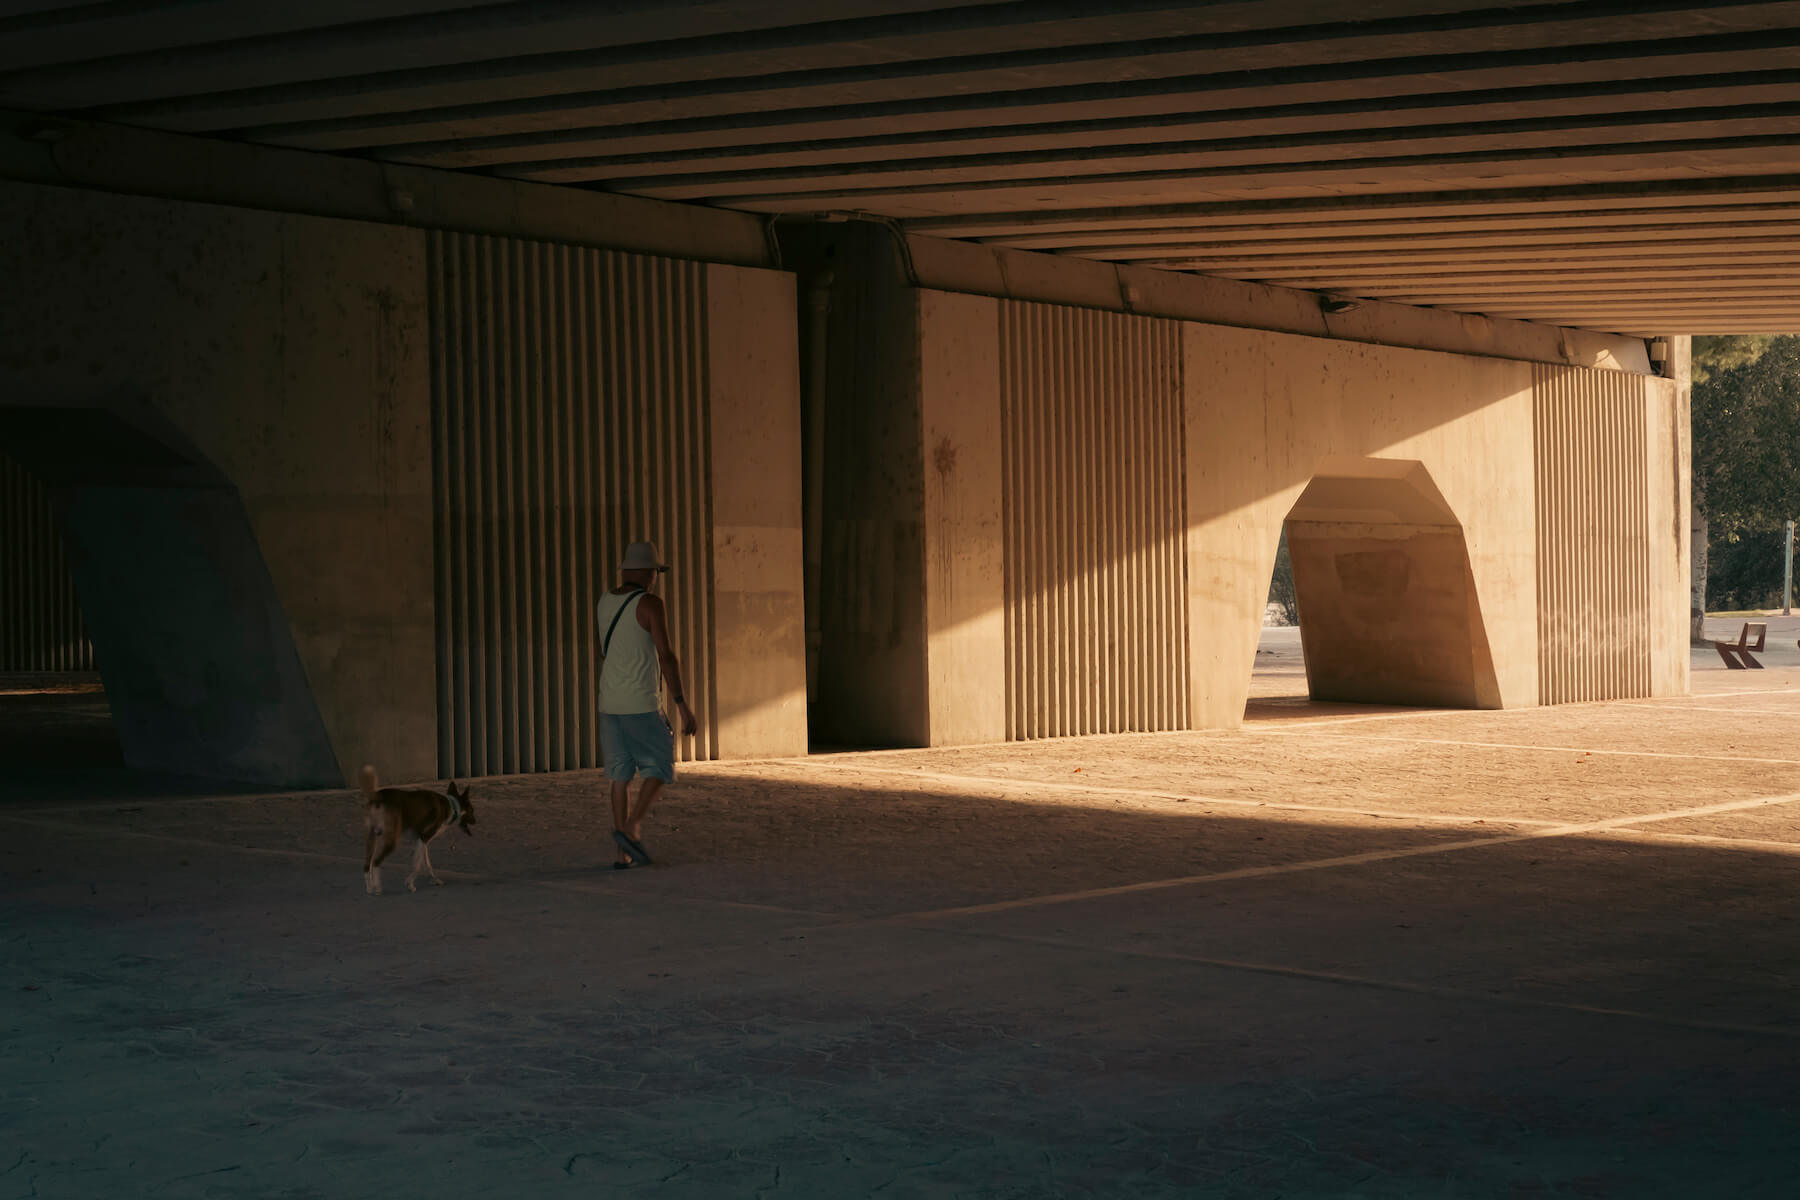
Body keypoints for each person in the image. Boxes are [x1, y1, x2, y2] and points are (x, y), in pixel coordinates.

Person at [595, 540, 698, 869]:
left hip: (609, 702)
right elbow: (666, 656)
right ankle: (631, 828)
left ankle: (621, 855)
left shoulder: (604, 601)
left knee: (619, 775)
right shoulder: (651, 603)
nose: (656, 577)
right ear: (648, 572)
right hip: (640, 702)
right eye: (656, 571)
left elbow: (603, 650)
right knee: (660, 765)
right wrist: (681, 704)